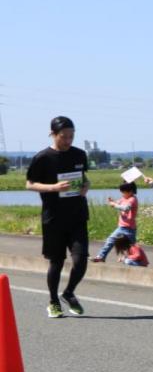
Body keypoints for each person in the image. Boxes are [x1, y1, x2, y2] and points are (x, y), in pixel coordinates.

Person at [25, 115, 90, 317]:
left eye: (72, 136)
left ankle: (68, 292)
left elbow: (84, 178)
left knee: (81, 260)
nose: (68, 140)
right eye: (64, 136)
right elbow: (30, 184)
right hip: (54, 217)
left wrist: (86, 186)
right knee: (57, 261)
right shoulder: (43, 157)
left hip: (78, 215)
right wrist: (53, 187)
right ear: (53, 134)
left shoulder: (79, 155)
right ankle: (53, 300)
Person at [92, 182, 139, 262]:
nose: (122, 194)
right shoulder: (123, 198)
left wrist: (114, 205)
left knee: (131, 246)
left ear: (130, 191)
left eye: (124, 192)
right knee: (110, 240)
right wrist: (112, 202)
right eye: (121, 192)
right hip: (121, 227)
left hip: (129, 228)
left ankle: (135, 259)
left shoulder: (132, 199)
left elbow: (125, 208)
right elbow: (117, 203)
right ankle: (101, 256)